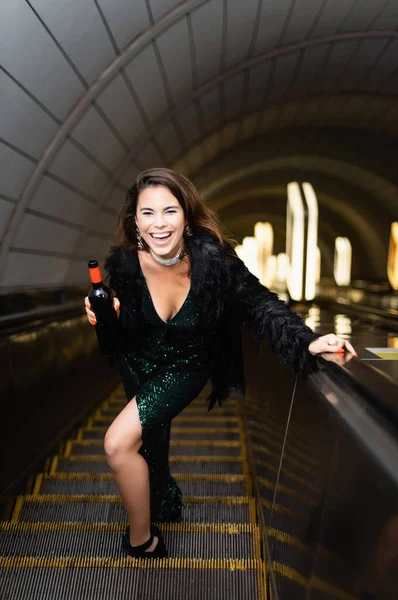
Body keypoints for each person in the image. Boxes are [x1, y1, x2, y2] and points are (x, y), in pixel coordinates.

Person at [84, 167, 356, 560]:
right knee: (150, 445)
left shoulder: (214, 261)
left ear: (186, 215)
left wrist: (309, 342)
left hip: (186, 367)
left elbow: (259, 303)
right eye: (148, 213)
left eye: (170, 211)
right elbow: (122, 333)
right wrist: (105, 314)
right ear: (134, 221)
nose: (159, 224)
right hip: (138, 363)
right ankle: (163, 501)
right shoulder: (126, 266)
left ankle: (142, 539)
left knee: (118, 443)